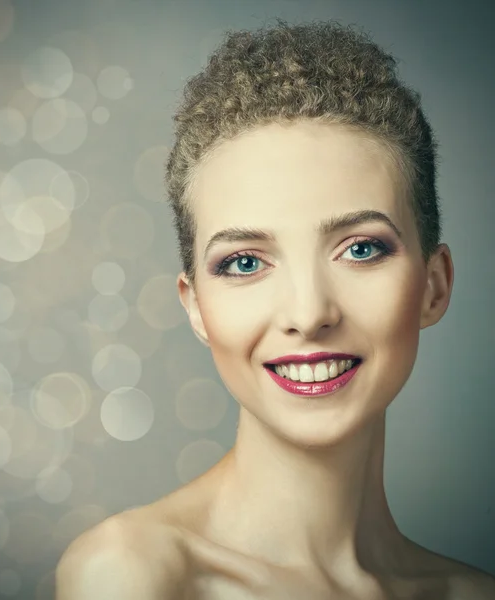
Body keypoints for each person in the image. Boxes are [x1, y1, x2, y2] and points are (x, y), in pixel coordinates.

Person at [55, 18, 495, 599]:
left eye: (360, 249)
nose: (309, 313)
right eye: (244, 263)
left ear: (434, 287)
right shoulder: (133, 577)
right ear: (196, 309)